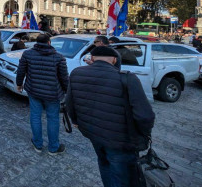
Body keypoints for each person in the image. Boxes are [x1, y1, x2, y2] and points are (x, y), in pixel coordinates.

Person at [66, 46, 155, 187]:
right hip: (120, 140)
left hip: (92, 133)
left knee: (104, 163)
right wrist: (144, 134)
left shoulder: (77, 73)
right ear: (114, 60)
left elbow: (70, 102)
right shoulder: (127, 78)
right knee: (123, 176)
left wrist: (75, 121)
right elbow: (145, 116)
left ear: (93, 59)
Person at [16, 33, 69, 155]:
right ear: (49, 42)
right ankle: (53, 147)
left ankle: (38, 144)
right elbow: (64, 78)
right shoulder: (58, 57)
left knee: (35, 116)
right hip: (52, 93)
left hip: (33, 90)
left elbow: (21, 70)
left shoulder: (27, 54)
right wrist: (66, 90)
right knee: (53, 118)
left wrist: (19, 83)